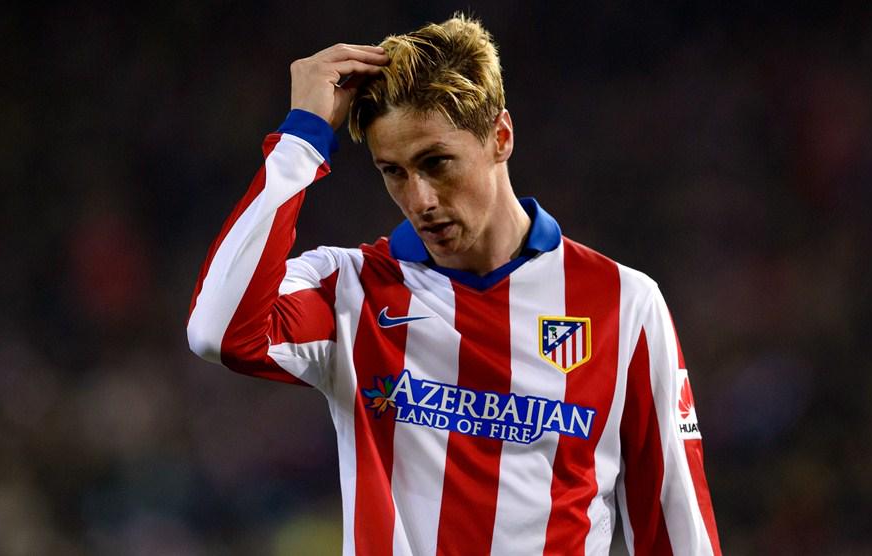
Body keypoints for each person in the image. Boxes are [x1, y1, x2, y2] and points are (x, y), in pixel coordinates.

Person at [187, 14, 721, 556]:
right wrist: (302, 138)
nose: (419, 199)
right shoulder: (352, 289)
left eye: (436, 162)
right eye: (393, 172)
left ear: (500, 137)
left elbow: (676, 530)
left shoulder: (624, 303)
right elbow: (218, 330)